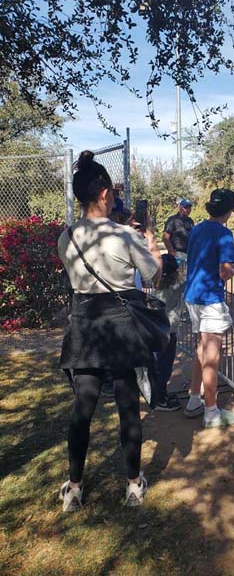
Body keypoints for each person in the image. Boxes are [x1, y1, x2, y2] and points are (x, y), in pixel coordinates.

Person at [58, 151, 162, 511]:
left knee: (82, 408)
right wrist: (148, 239)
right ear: (103, 194)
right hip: (121, 327)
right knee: (127, 405)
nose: (116, 198)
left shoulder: (66, 236)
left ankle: (74, 487)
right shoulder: (124, 235)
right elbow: (153, 274)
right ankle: (133, 484)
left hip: (85, 324)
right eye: (113, 193)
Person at [183, 189, 234, 428]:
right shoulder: (223, 233)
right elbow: (225, 271)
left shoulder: (196, 229)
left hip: (193, 295)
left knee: (201, 349)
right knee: (212, 355)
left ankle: (194, 400)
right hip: (209, 298)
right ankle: (211, 411)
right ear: (228, 211)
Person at [151, 253, 183, 412]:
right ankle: (160, 398)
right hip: (169, 330)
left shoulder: (156, 285)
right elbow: (189, 283)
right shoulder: (175, 287)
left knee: (158, 363)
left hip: (156, 329)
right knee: (165, 365)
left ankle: (158, 393)